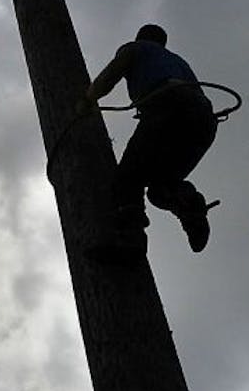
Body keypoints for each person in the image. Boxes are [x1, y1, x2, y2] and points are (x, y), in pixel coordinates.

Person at [81, 23, 218, 252]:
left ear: (140, 38)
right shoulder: (178, 61)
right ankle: (189, 205)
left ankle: (130, 240)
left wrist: (87, 99)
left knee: (128, 178)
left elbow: (112, 74)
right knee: (159, 189)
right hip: (203, 121)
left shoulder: (136, 49)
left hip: (168, 107)